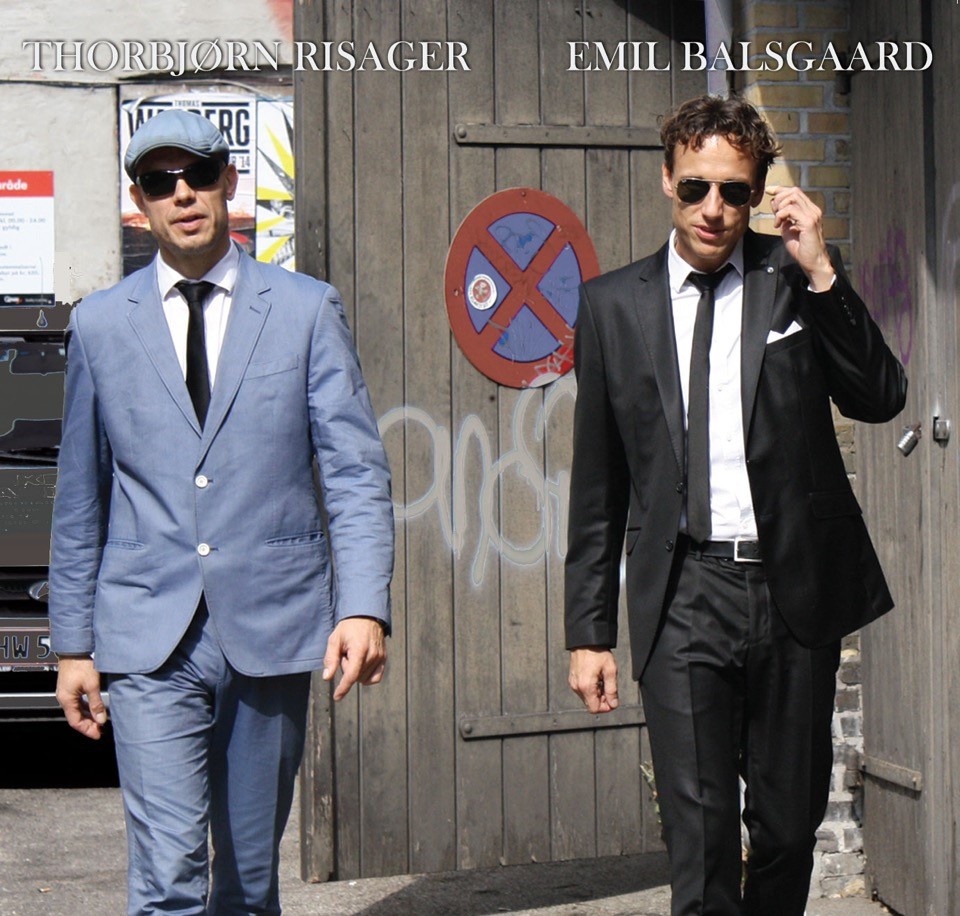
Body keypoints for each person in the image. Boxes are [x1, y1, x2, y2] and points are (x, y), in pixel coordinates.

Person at [564, 94, 906, 916]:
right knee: (703, 839)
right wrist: (589, 633)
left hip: (791, 594)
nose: (713, 209)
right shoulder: (612, 306)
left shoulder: (790, 278)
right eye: (696, 188)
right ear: (667, 180)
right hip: (683, 592)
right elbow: (598, 482)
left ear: (755, 193)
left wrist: (822, 271)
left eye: (734, 192)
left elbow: (880, 396)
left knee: (787, 830)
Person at [49, 109, 394, 915]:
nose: (183, 194)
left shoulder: (306, 309)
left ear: (228, 183)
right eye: (159, 181)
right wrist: (72, 645)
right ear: (139, 202)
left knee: (246, 882)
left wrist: (364, 606)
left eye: (199, 174)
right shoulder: (99, 324)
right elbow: (80, 496)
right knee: (167, 878)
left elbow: (354, 471)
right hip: (147, 636)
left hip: (270, 624)